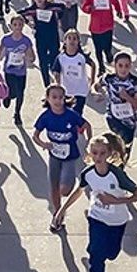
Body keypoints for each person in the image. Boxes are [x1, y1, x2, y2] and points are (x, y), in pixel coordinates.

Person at [51, 131, 137, 272]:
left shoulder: (117, 174)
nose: (98, 157)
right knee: (96, 259)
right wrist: (61, 211)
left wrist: (114, 201)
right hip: (97, 217)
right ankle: (94, 258)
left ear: (109, 154)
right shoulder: (87, 173)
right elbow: (78, 191)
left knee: (111, 254)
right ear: (89, 153)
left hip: (117, 221)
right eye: (95, 153)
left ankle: (96, 250)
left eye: (102, 153)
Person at [35, 83, 91, 225]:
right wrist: (43, 144)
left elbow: (87, 125)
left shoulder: (71, 115)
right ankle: (57, 215)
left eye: (60, 97)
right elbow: (35, 135)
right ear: (47, 98)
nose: (58, 100)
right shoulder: (45, 117)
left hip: (70, 156)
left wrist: (88, 143)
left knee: (65, 190)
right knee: (53, 186)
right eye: (54, 97)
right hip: (54, 155)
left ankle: (60, 204)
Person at [0, 14, 37, 126]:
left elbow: (32, 56)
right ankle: (8, 96)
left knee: (20, 93)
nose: (18, 27)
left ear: (23, 26)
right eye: (15, 25)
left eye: (20, 25)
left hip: (21, 71)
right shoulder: (6, 39)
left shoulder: (26, 41)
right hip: (9, 70)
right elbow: (1, 51)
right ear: (11, 26)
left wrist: (29, 57)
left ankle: (17, 113)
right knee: (12, 90)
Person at [100, 51, 137, 147]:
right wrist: (99, 92)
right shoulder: (108, 78)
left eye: (126, 66)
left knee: (126, 149)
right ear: (114, 65)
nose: (123, 69)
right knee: (116, 146)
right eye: (120, 65)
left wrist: (127, 97)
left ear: (130, 66)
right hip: (113, 117)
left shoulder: (134, 82)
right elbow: (96, 86)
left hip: (129, 121)